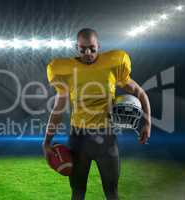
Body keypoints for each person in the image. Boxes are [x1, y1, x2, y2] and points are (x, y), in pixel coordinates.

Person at [42, 28, 151, 200]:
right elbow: (58, 109)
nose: (88, 53)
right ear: (76, 47)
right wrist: (47, 141)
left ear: (98, 46)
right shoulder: (64, 70)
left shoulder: (113, 65)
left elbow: (139, 92)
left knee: (112, 192)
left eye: (92, 48)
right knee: (77, 193)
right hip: (79, 138)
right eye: (83, 48)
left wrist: (147, 122)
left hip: (106, 138)